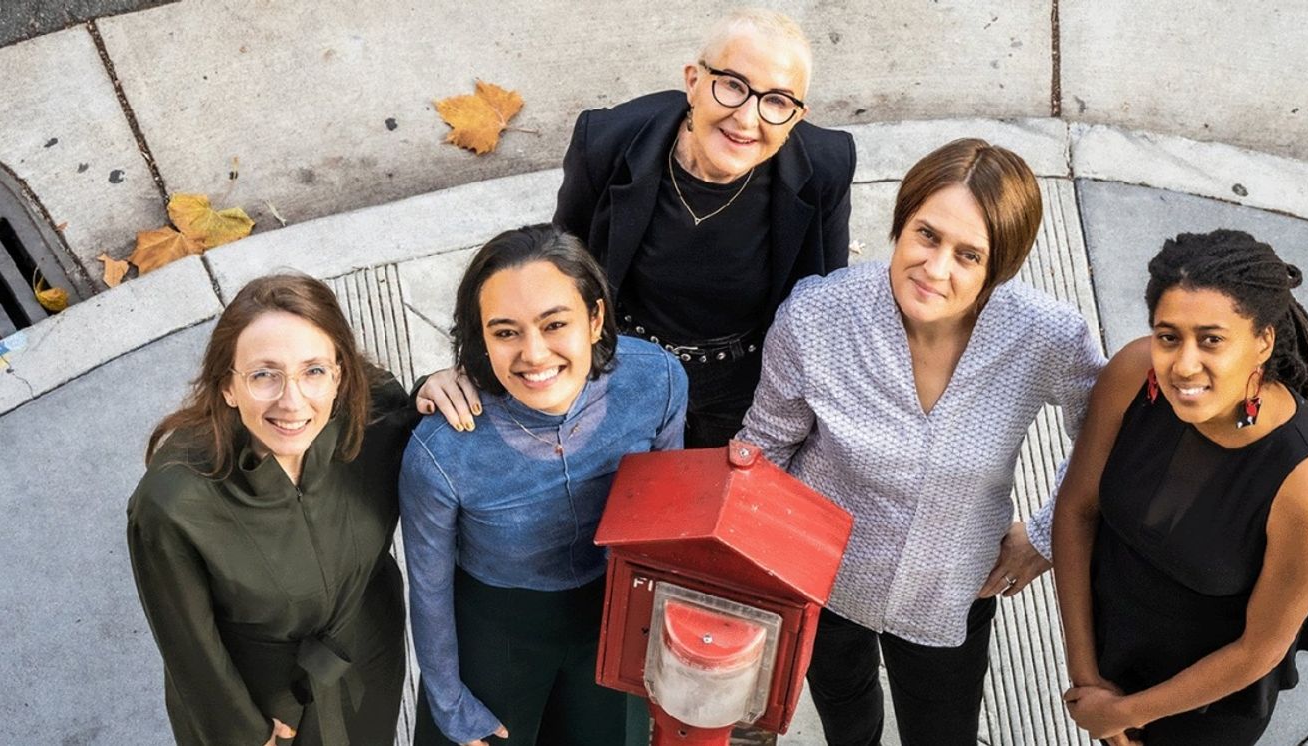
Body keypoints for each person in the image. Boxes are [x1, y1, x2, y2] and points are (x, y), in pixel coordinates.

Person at [737, 138, 1106, 746]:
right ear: (901, 222)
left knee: (942, 731)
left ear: (1001, 266)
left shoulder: (1046, 336)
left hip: (951, 589)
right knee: (845, 712)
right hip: (820, 576)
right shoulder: (817, 315)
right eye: (926, 235)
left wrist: (1044, 538)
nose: (936, 270)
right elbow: (766, 448)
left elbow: (1105, 435)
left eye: (969, 255)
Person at [1052, 230, 1308, 745]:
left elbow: (1260, 648)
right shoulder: (1132, 375)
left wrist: (1126, 714)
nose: (1183, 365)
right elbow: (1077, 512)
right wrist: (1088, 679)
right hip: (1106, 657)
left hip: (1205, 708)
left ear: (1263, 341)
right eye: (1168, 336)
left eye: (1211, 339)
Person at [399, 224, 687, 746]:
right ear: (481, 340)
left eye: (555, 324)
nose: (534, 354)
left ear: (595, 318)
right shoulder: (441, 451)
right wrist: (449, 703)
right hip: (498, 630)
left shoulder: (657, 381)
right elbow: (429, 585)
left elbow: (664, 527)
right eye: (505, 332)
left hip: (612, 617)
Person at [544, 7, 854, 448]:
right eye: (732, 84)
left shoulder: (825, 167)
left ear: (796, 118)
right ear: (693, 81)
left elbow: (824, 297)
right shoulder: (607, 141)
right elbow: (560, 265)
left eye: (777, 101)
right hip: (630, 362)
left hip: (745, 378)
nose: (747, 119)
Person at [127, 274, 417, 746]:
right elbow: (188, 647)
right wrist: (244, 732)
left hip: (367, 664)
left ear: (340, 374)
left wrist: (439, 389)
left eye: (314, 371)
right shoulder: (172, 503)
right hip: (265, 707)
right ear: (227, 386)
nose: (292, 401)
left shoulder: (378, 416)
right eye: (264, 374)